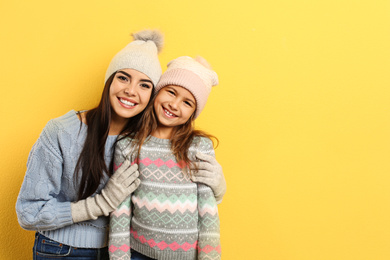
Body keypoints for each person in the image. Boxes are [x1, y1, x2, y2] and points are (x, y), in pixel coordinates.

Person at [15, 29, 226, 260]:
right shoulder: (62, 132)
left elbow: (172, 196)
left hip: (125, 251)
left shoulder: (145, 141)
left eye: (145, 85)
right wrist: (100, 203)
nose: (131, 90)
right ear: (109, 80)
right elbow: (29, 212)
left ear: (153, 95)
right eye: (123, 77)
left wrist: (217, 187)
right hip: (63, 250)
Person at [109, 56, 222, 260]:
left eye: (187, 102)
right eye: (171, 92)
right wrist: (119, 257)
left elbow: (209, 213)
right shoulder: (128, 145)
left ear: (193, 113)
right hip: (137, 253)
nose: (174, 104)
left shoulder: (198, 147)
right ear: (157, 91)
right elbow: (120, 207)